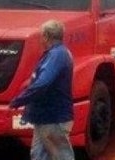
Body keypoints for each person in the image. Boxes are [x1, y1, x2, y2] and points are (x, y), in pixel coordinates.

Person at [9, 19, 75, 160]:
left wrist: (19, 100)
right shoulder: (58, 53)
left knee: (60, 156)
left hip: (53, 117)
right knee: (38, 155)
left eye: (41, 36)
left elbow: (42, 84)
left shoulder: (56, 55)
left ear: (46, 36)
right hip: (45, 117)